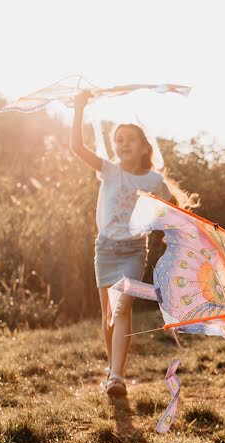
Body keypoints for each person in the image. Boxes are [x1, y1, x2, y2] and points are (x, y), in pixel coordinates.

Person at [71, 90, 173, 398]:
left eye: (130, 138)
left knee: (122, 307)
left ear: (144, 147)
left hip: (132, 251)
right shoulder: (109, 170)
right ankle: (112, 369)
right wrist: (78, 108)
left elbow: (170, 214)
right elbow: (76, 146)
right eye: (119, 139)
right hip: (105, 249)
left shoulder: (154, 182)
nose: (123, 143)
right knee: (108, 316)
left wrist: (177, 234)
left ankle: (116, 377)